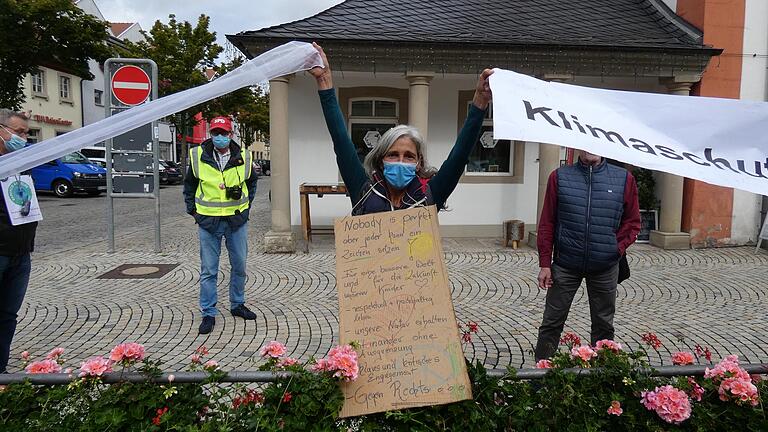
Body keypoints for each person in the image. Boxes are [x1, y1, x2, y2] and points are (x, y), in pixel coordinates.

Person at [309, 43, 492, 215]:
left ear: (419, 162)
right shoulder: (363, 191)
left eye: (409, 156)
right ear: (381, 160)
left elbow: (460, 156)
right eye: (393, 154)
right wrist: (324, 81)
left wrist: (480, 102)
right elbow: (341, 141)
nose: (401, 161)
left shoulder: (429, 195)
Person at [534, 151, 641, 361]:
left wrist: (614, 248)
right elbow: (547, 223)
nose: (589, 149)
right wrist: (545, 263)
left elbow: (633, 222)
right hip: (566, 263)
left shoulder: (624, 179)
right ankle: (540, 375)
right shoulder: (560, 177)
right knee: (552, 322)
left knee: (603, 325)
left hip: (605, 266)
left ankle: (602, 373)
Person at [183, 116, 258, 334]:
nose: (220, 137)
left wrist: (245, 208)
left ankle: (237, 304)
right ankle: (208, 312)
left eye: (224, 133)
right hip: (208, 222)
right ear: (210, 134)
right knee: (209, 270)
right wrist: (194, 211)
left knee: (240, 266)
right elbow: (189, 187)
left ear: (231, 134)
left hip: (236, 220)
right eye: (216, 133)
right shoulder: (198, 156)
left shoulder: (244, 157)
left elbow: (252, 184)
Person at [0, 109, 35, 373]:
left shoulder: (23, 164)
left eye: (26, 132)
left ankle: (1, 370)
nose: (23, 138)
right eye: (19, 132)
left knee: (8, 315)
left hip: (21, 252)